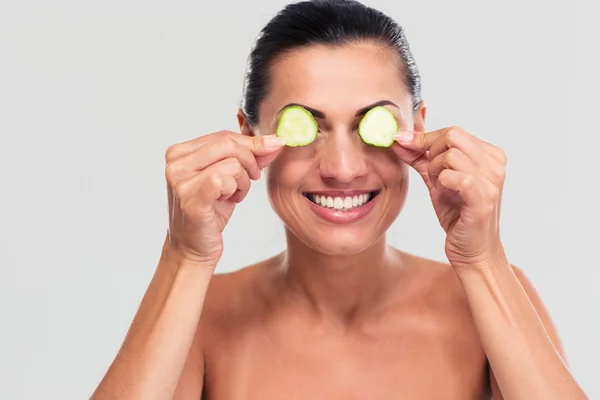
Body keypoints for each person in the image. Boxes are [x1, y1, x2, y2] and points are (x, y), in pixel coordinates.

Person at [91, 0, 588, 399]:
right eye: (306, 125)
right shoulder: (202, 317)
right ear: (248, 134)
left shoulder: (492, 300)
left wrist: (482, 259)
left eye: (372, 125)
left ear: (418, 128)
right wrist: (186, 256)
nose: (343, 168)